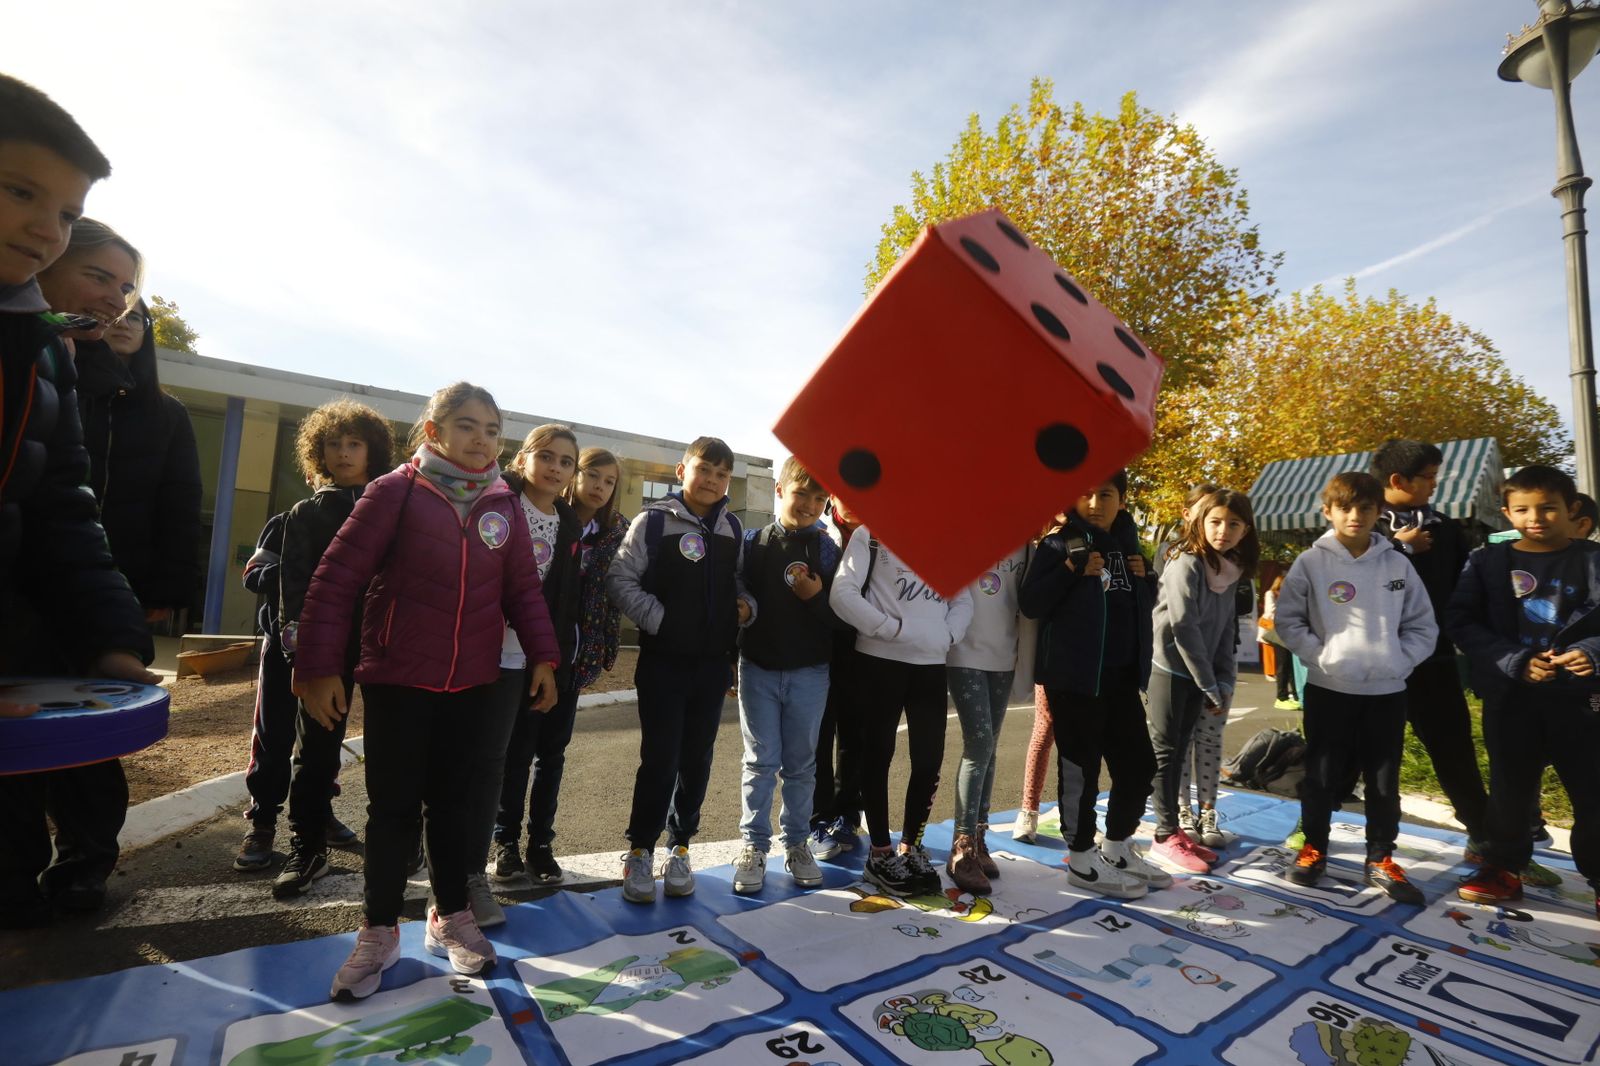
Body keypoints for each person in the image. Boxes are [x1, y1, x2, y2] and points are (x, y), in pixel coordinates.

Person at [294, 382, 559, 1001]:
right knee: (392, 811)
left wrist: (544, 656)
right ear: (434, 432)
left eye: (493, 430)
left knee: (455, 806)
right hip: (397, 677)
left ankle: (451, 916)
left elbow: (522, 587)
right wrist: (316, 666)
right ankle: (379, 931)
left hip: (473, 681)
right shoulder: (395, 491)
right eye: (467, 426)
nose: (481, 439)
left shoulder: (503, 503)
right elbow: (335, 580)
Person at [0, 74, 159, 927]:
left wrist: (113, 635)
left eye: (63, 209)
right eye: (20, 192)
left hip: (39, 628)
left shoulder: (47, 354)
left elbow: (66, 509)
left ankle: (64, 871)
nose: (41, 224)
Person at [1275, 472, 1436, 903]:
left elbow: (1422, 624)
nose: (1355, 516)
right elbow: (1288, 620)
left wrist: (1399, 661)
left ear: (1377, 512)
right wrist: (1323, 658)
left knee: (1383, 781)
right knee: (1322, 776)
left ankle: (1380, 857)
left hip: (1387, 692)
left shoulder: (1397, 564)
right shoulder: (1310, 562)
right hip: (1331, 689)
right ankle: (1314, 849)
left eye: (1365, 508)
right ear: (1327, 512)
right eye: (1345, 508)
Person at [607, 436, 755, 903]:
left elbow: (741, 584)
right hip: (663, 665)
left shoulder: (732, 528)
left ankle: (680, 846)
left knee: (697, 760)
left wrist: (747, 607)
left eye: (721, 473)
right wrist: (660, 619)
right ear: (681, 471)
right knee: (660, 759)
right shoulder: (653, 522)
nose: (712, 480)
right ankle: (639, 851)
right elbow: (619, 578)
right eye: (704, 469)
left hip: (711, 667)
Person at [1447, 465, 1600, 914]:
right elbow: (1460, 621)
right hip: (1512, 696)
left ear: (1572, 510)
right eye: (1523, 509)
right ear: (1507, 513)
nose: (1536, 517)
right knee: (1510, 789)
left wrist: (1592, 652)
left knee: (1592, 792)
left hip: (1582, 700)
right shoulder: (1486, 561)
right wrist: (1514, 662)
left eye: (1548, 508)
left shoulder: (1594, 560)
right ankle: (1504, 868)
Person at [268, 400, 394, 898]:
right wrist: (302, 660)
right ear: (318, 451)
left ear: (373, 450)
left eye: (355, 443)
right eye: (334, 443)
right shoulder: (305, 513)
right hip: (326, 653)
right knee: (316, 750)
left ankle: (402, 842)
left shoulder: (394, 505)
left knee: (394, 752)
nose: (343, 453)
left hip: (387, 647)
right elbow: (292, 593)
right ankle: (308, 845)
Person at [39, 241, 202, 625]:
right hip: (48, 559)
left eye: (136, 317)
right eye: (122, 314)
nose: (123, 318)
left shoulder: (170, 415)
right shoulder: (62, 379)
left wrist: (168, 585)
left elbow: (179, 505)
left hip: (126, 573)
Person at [1019, 471, 1166, 898]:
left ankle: (1117, 847)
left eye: (1107, 494)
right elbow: (1031, 603)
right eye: (1086, 493)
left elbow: (1128, 609)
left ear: (1122, 500)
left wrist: (1148, 582)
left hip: (1120, 681)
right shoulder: (1058, 543)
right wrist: (1070, 569)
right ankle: (1081, 858)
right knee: (1081, 772)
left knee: (1139, 767)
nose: (1096, 502)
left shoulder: (1129, 546)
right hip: (1075, 681)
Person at [830, 521, 972, 897]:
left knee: (929, 761)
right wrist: (887, 628)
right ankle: (880, 853)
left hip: (930, 666)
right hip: (879, 663)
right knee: (876, 756)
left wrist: (949, 635)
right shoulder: (871, 533)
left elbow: (964, 599)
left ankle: (911, 847)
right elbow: (841, 593)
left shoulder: (947, 541)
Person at [730, 457, 842, 895]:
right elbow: (737, 586)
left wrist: (815, 598)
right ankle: (753, 847)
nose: (811, 505)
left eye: (820, 498)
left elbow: (840, 612)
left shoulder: (828, 548)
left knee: (801, 766)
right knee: (760, 763)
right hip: (757, 668)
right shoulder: (753, 542)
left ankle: (797, 844)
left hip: (810, 672)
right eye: (802, 494)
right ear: (780, 490)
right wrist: (743, 604)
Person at [1371, 439, 1487, 856]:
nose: (1435, 486)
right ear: (1398, 480)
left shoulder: (1446, 529)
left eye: (1437, 477)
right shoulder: (1362, 525)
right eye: (1429, 478)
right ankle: (1313, 829)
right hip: (1373, 663)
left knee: (1454, 747)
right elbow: (1343, 580)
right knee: (1348, 749)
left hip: (1433, 659)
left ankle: (1486, 838)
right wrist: (1400, 547)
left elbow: (1462, 592)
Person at [486, 425, 584, 901]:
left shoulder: (571, 525)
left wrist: (556, 657)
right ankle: (503, 840)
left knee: (548, 753)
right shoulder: (497, 504)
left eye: (566, 462)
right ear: (522, 458)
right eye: (545, 456)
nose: (555, 467)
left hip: (543, 656)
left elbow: (565, 600)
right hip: (493, 653)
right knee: (509, 755)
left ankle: (539, 842)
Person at [1147, 488, 1256, 873]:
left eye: (1233, 523)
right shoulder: (1186, 562)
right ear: (1198, 521)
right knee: (1164, 753)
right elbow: (1183, 626)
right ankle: (1164, 834)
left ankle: (1174, 831)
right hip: (1171, 669)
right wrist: (1209, 682)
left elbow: (1226, 627)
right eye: (1214, 521)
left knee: (1178, 751)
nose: (1223, 530)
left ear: (1245, 530)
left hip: (1202, 676)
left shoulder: (1230, 566)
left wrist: (1224, 679)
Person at [945, 540, 1026, 894]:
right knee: (978, 744)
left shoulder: (1027, 544)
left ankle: (978, 838)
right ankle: (961, 848)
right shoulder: (969, 532)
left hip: (1004, 655)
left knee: (990, 748)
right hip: (964, 652)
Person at [808, 492, 867, 861]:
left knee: (854, 739)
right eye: (848, 493)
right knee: (816, 737)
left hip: (863, 649)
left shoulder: (882, 537)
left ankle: (848, 814)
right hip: (817, 649)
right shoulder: (817, 531)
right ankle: (816, 819)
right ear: (832, 494)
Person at [1011, 686, 1054, 843]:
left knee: (1080, 734)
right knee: (1045, 728)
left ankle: (1080, 816)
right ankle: (1028, 810)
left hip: (1090, 669)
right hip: (1051, 666)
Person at [1259, 573, 1298, 710]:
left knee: (1293, 667)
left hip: (1291, 632)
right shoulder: (1272, 594)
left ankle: (1295, 695)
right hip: (1278, 631)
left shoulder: (1292, 595)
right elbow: (1270, 611)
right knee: (1283, 665)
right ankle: (1281, 697)